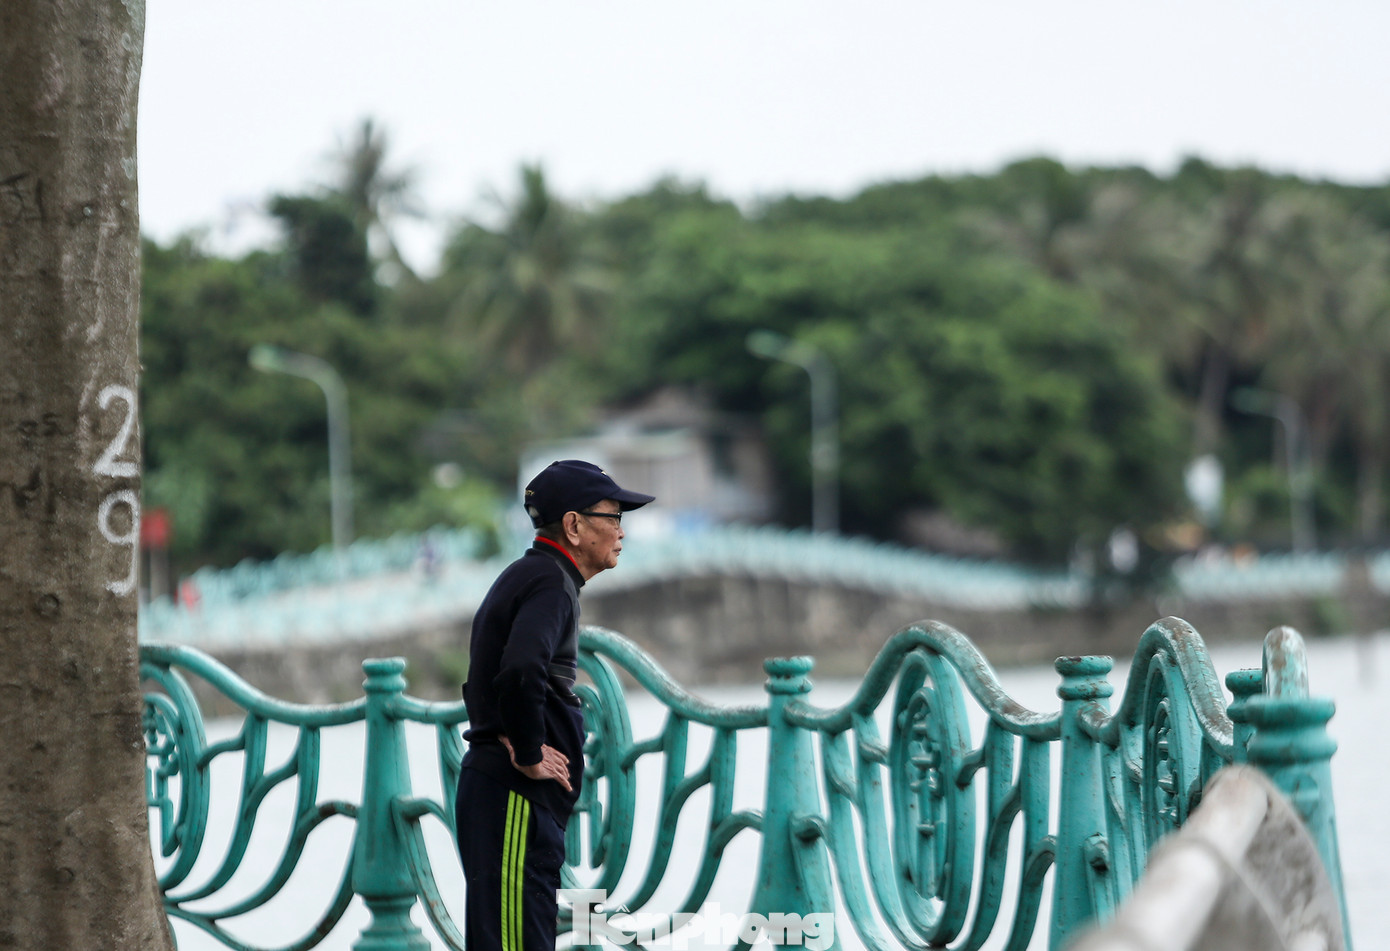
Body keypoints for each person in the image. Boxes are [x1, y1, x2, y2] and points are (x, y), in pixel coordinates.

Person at [455, 459, 654, 951]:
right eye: (613, 517)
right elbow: (521, 668)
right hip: (514, 795)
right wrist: (526, 751)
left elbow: (484, 678)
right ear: (574, 525)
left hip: (501, 792)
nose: (622, 530)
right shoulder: (549, 582)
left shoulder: (532, 574)